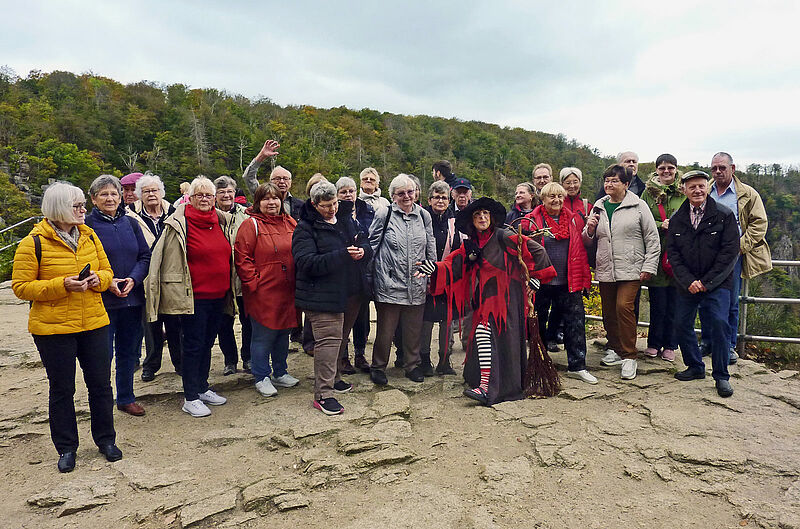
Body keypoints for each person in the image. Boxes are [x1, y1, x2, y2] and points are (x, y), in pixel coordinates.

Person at [12, 182, 122, 473]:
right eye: (77, 206)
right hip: (53, 329)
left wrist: (100, 280)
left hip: (93, 322)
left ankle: (106, 440)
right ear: (60, 208)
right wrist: (63, 285)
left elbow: (107, 271)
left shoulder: (89, 235)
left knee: (100, 384)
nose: (84, 209)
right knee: (62, 389)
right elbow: (21, 288)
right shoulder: (32, 243)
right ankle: (66, 448)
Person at [417, 197, 556, 405]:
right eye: (476, 215)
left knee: (483, 333)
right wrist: (435, 268)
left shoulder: (503, 236)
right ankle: (487, 382)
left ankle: (486, 387)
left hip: (507, 298)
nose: (482, 218)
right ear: (472, 221)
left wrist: (536, 278)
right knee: (487, 337)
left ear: (491, 218)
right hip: (484, 298)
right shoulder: (472, 245)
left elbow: (537, 250)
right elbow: (453, 262)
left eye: (485, 214)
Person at [145, 176, 235, 417]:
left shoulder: (222, 220)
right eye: (199, 195)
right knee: (193, 345)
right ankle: (190, 396)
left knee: (207, 343)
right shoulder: (177, 224)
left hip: (219, 294)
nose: (204, 199)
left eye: (208, 195)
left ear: (214, 198)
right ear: (190, 198)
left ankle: (202, 386)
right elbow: (160, 259)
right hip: (192, 296)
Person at [292, 181, 372, 415]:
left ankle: (335, 378)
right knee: (327, 343)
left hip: (351, 291)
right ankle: (323, 394)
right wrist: (342, 255)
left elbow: (365, 240)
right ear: (315, 204)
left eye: (335, 203)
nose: (332, 209)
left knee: (340, 339)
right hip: (321, 295)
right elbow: (305, 262)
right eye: (326, 206)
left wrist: (363, 252)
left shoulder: (347, 218)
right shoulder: (305, 227)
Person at [583, 164, 660, 380]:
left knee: (623, 307)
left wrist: (648, 266)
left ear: (626, 184)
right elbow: (588, 240)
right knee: (608, 311)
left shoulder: (638, 205)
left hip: (632, 267)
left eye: (614, 180)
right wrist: (589, 228)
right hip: (606, 267)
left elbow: (652, 239)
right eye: (606, 180)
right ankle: (615, 349)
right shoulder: (599, 206)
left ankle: (629, 357)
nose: (609, 184)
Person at [667, 170, 740, 397]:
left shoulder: (723, 215)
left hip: (716, 283)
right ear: (684, 190)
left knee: (719, 324)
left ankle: (721, 376)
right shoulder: (678, 218)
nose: (697, 190)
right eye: (692, 187)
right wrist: (689, 281)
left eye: (701, 186)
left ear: (706, 187)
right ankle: (695, 366)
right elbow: (673, 253)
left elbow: (730, 252)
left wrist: (706, 282)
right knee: (680, 323)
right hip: (687, 283)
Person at [85, 175, 151, 416]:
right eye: (103, 194)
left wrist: (134, 279)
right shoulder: (86, 226)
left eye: (114, 193)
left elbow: (145, 256)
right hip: (102, 300)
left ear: (121, 196)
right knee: (103, 355)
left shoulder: (130, 223)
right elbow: (82, 262)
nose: (110, 198)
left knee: (129, 352)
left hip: (132, 299)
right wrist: (108, 282)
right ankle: (102, 402)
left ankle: (125, 397)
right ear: (93, 198)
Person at [523, 183, 597, 384]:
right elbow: (526, 254)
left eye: (559, 196)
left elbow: (581, 250)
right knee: (537, 323)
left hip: (568, 279)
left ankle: (578, 365)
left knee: (575, 323)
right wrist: (531, 277)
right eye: (551, 197)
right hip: (540, 281)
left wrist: (584, 279)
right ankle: (539, 362)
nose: (556, 200)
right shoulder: (531, 221)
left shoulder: (575, 219)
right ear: (542, 199)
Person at [369, 174, 436, 385]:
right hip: (389, 282)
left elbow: (430, 245)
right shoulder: (384, 213)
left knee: (413, 329)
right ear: (393, 196)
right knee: (385, 331)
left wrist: (431, 269)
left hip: (416, 282)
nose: (407, 196)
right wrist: (371, 276)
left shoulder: (424, 215)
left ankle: (412, 365)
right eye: (401, 193)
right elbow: (372, 244)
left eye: (410, 191)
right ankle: (378, 367)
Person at [235, 182, 300, 397]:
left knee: (283, 333)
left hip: (287, 289)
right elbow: (242, 258)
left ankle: (280, 371)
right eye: (266, 198)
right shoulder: (251, 224)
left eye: (275, 198)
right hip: (263, 291)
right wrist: (255, 284)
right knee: (263, 335)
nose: (271, 202)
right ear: (258, 202)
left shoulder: (290, 222)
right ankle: (261, 376)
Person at [706, 152, 772, 363]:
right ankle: (707, 342)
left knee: (730, 302)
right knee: (705, 300)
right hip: (706, 255)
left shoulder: (747, 194)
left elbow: (759, 224)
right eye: (714, 168)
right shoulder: (704, 190)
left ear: (732, 169)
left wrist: (739, 247)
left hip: (732, 256)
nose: (718, 172)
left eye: (722, 168)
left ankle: (728, 346)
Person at [131, 173, 182, 382]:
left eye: (154, 190)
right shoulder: (131, 217)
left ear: (161, 193)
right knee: (150, 323)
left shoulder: (175, 213)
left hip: (172, 276)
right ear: (139, 196)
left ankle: (180, 363)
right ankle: (151, 365)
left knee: (175, 323)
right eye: (146, 191)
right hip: (146, 277)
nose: (151, 194)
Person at [641, 154, 685, 362]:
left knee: (674, 303)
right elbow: (640, 219)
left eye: (670, 168)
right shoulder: (648, 194)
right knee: (657, 303)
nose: (666, 171)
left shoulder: (684, 190)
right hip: (656, 254)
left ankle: (670, 345)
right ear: (656, 170)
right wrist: (661, 225)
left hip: (679, 255)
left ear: (676, 169)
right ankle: (653, 343)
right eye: (662, 168)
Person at [420, 181, 462, 376]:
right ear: (429, 200)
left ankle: (444, 361)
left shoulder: (456, 221)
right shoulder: (420, 218)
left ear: (449, 200)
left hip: (448, 278)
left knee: (447, 320)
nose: (440, 200)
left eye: (444, 197)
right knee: (426, 321)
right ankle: (424, 360)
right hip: (425, 277)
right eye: (436, 197)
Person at [336, 177, 375, 373]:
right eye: (343, 192)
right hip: (341, 275)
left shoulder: (366, 211)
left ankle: (360, 353)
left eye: (351, 191)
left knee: (362, 317)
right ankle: (343, 357)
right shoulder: (333, 216)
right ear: (336, 195)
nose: (348, 195)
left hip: (362, 273)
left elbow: (369, 241)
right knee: (343, 319)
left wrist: (365, 251)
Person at [214, 175, 252, 375]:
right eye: (221, 192)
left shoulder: (246, 215)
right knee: (224, 322)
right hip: (219, 279)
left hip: (242, 276)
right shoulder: (209, 215)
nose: (226, 195)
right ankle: (230, 360)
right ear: (215, 195)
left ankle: (248, 358)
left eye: (229, 191)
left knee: (248, 320)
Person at [243, 140, 304, 220]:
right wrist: (261, 156)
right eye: (277, 178)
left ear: (290, 182)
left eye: (285, 178)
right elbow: (248, 177)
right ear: (270, 181)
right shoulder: (262, 195)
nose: (282, 181)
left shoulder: (300, 204)